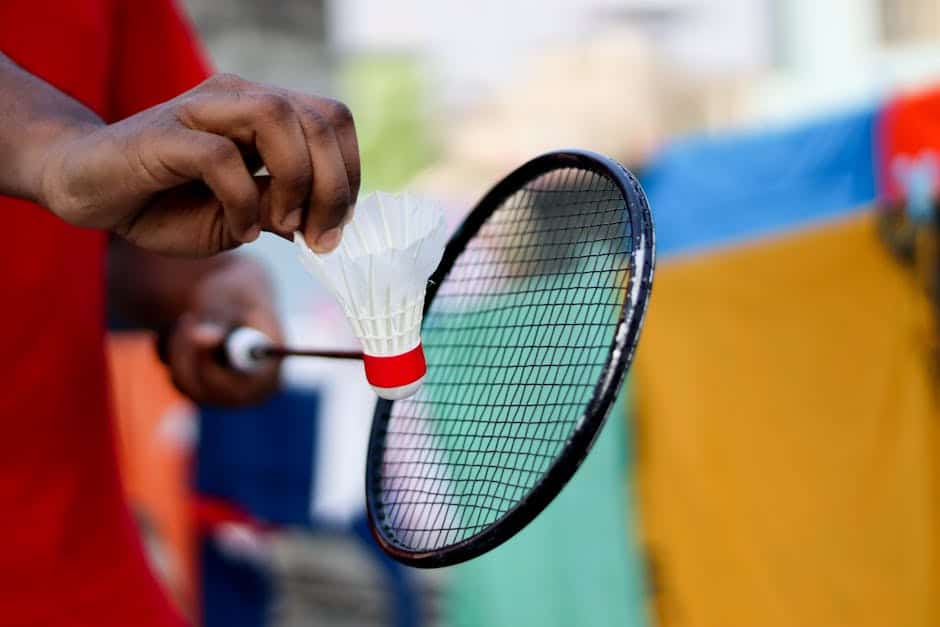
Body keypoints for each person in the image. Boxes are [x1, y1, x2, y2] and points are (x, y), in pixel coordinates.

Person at [0, 1, 359, 626]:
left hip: (83, 573)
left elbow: (132, 217)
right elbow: (84, 164)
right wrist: (57, 150)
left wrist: (216, 284)